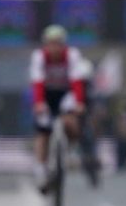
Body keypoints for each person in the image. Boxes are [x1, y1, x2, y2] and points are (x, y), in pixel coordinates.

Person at [30, 24, 86, 192]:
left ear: (63, 44)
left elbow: (77, 81)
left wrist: (79, 102)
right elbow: (38, 82)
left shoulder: (72, 55)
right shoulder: (39, 56)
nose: (54, 48)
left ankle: (68, 149)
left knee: (71, 122)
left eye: (58, 43)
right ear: (46, 44)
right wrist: (39, 103)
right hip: (46, 95)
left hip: (65, 93)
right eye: (51, 43)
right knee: (43, 132)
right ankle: (41, 169)